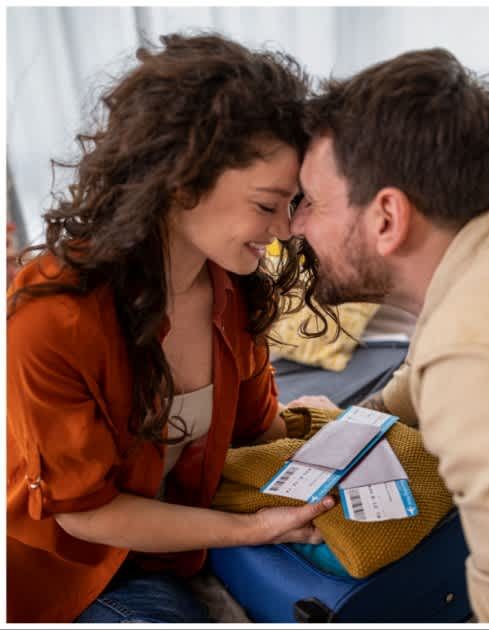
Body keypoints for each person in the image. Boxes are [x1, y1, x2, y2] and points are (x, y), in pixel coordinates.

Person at [6, 34, 336, 623]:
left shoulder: (235, 287)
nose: (286, 231)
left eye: (293, 204)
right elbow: (84, 514)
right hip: (69, 570)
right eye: (266, 206)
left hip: (179, 548)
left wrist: (340, 436)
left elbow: (258, 432)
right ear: (181, 184)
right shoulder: (49, 316)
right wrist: (250, 530)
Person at [288, 48, 489, 622]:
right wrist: (348, 420)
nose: (294, 224)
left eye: (310, 201)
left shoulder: (484, 359)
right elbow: (424, 370)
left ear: (387, 218)